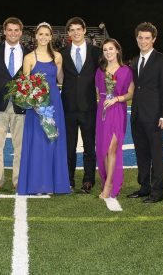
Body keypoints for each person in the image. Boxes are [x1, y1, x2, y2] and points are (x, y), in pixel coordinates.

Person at [17, 22, 70, 195]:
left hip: (54, 103)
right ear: (36, 36)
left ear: (51, 36)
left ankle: (54, 184)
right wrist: (35, 100)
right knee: (38, 142)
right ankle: (37, 184)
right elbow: (25, 85)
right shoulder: (29, 58)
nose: (43, 37)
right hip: (36, 106)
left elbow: (60, 80)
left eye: (47, 34)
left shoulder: (57, 56)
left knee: (53, 140)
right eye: (41, 34)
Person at [127, 22, 163, 203]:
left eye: (147, 38)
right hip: (137, 115)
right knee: (142, 154)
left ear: (154, 39)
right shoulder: (135, 60)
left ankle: (157, 192)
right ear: (136, 38)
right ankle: (144, 187)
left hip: (155, 117)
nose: (143, 41)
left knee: (156, 154)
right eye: (140, 38)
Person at [61, 17, 102, 193]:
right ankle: (68, 180)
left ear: (85, 30)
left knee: (89, 146)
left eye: (79, 29)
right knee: (68, 147)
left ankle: (88, 180)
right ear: (68, 33)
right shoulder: (61, 53)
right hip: (68, 106)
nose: (76, 32)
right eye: (72, 30)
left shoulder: (96, 52)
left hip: (89, 106)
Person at [0, 17, 29, 192]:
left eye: (16, 30)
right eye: (10, 30)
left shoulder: (29, 53)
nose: (13, 33)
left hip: (21, 105)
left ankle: (18, 180)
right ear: (4, 31)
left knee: (19, 146)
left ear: (21, 32)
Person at [95, 38, 134, 211]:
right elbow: (98, 92)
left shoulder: (126, 71)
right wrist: (104, 100)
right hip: (103, 111)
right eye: (105, 50)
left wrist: (117, 98)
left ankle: (109, 184)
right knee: (103, 148)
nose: (108, 52)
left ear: (117, 50)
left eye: (111, 49)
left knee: (112, 147)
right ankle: (105, 179)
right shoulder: (100, 71)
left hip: (118, 110)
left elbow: (130, 93)